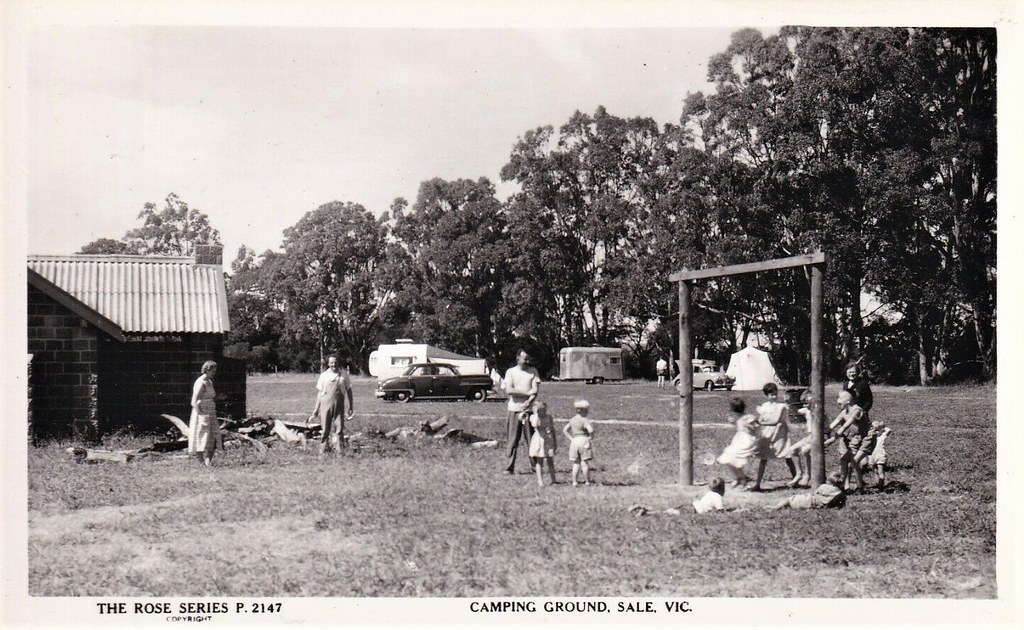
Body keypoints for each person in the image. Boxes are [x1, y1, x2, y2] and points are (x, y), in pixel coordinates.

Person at [751, 382, 799, 491]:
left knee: (787, 455)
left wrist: (762, 422)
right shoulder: (764, 407)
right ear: (766, 395)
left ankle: (795, 479)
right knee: (763, 458)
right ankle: (757, 484)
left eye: (775, 394)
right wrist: (759, 422)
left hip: (780, 433)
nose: (774, 396)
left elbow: (776, 420)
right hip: (767, 433)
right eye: (771, 394)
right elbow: (761, 419)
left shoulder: (781, 406)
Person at [501, 349, 540, 474]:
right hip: (514, 410)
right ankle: (509, 467)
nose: (527, 361)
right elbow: (509, 390)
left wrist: (529, 401)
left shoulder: (533, 371)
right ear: (518, 358)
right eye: (525, 359)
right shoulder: (511, 372)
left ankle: (536, 467)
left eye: (528, 359)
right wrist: (527, 393)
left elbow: (535, 390)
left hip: (529, 411)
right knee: (512, 440)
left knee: (532, 440)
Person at [827, 389, 873, 491]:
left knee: (854, 461)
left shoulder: (857, 411)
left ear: (847, 401)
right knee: (844, 459)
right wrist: (823, 432)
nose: (837, 401)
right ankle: (845, 485)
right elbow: (832, 425)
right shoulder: (844, 412)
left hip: (867, 438)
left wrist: (832, 439)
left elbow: (846, 426)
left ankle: (860, 487)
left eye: (839, 398)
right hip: (856, 438)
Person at [313, 354, 354, 456]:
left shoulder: (343, 374)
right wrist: (316, 409)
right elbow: (319, 393)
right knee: (325, 429)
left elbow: (349, 390)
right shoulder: (324, 375)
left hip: (339, 404)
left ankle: (340, 451)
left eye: (335, 362)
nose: (334, 364)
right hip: (325, 404)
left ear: (338, 362)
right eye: (331, 362)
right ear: (328, 364)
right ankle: (322, 451)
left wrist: (351, 406)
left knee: (339, 429)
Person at [716, 397, 760, 489]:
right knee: (728, 456)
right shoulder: (736, 418)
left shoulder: (748, 417)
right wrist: (734, 422)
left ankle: (742, 478)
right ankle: (739, 477)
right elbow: (736, 423)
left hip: (747, 440)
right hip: (739, 439)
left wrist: (749, 425)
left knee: (735, 456)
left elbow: (757, 427)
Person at [188, 360, 220, 467]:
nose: (214, 373)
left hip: (210, 411)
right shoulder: (200, 382)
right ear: (206, 369)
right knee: (200, 437)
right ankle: (201, 463)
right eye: (212, 371)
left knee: (213, 436)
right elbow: (193, 401)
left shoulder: (209, 382)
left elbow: (209, 396)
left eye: (215, 371)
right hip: (201, 412)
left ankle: (208, 462)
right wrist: (201, 414)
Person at [780, 389, 814, 487]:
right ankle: (799, 473)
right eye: (804, 403)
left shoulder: (820, 412)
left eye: (807, 403)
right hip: (810, 436)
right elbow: (796, 409)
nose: (805, 405)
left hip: (820, 437)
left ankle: (808, 475)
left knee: (805, 451)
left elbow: (827, 428)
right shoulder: (806, 411)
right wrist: (788, 401)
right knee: (792, 450)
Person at [767, 473, 847, 510]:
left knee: (789, 500)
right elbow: (842, 503)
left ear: (829, 481)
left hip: (810, 499)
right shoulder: (840, 493)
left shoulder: (823, 486)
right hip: (815, 504)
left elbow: (815, 493)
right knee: (790, 502)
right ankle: (776, 507)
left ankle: (775, 507)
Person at [562, 399, 595, 486]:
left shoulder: (572, 420)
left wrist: (571, 438)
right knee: (584, 463)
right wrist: (591, 437)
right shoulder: (585, 420)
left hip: (574, 441)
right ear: (584, 410)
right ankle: (587, 481)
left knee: (576, 463)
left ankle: (574, 481)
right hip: (583, 440)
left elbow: (565, 430)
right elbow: (590, 430)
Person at [528, 402, 558, 487]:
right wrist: (536, 414)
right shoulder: (533, 417)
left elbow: (552, 429)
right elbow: (535, 424)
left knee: (550, 460)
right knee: (539, 461)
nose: (543, 412)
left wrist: (554, 441)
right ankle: (540, 481)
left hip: (548, 439)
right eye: (540, 410)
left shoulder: (548, 417)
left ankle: (553, 479)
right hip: (539, 439)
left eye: (544, 409)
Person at [866, 419, 892, 490]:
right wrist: (880, 427)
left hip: (876, 454)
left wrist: (879, 427)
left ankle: (880, 485)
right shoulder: (878, 435)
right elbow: (888, 429)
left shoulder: (877, 435)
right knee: (877, 470)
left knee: (878, 470)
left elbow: (888, 429)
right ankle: (879, 484)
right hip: (876, 454)